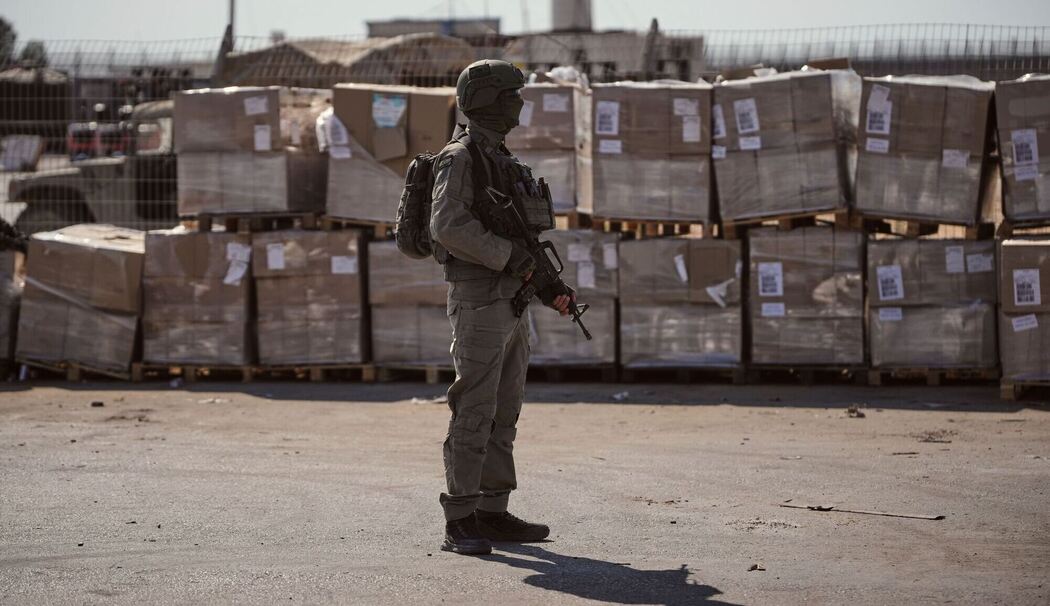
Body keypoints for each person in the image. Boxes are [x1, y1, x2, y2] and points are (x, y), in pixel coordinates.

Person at [429, 59, 573, 556]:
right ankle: (460, 517)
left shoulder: (500, 158)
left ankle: (492, 510)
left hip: (509, 303)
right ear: (487, 99)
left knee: (503, 411)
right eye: (512, 94)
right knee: (473, 408)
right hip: (479, 301)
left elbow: (518, 235)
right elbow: (447, 226)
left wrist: (547, 286)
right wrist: (511, 258)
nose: (520, 103)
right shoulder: (462, 157)